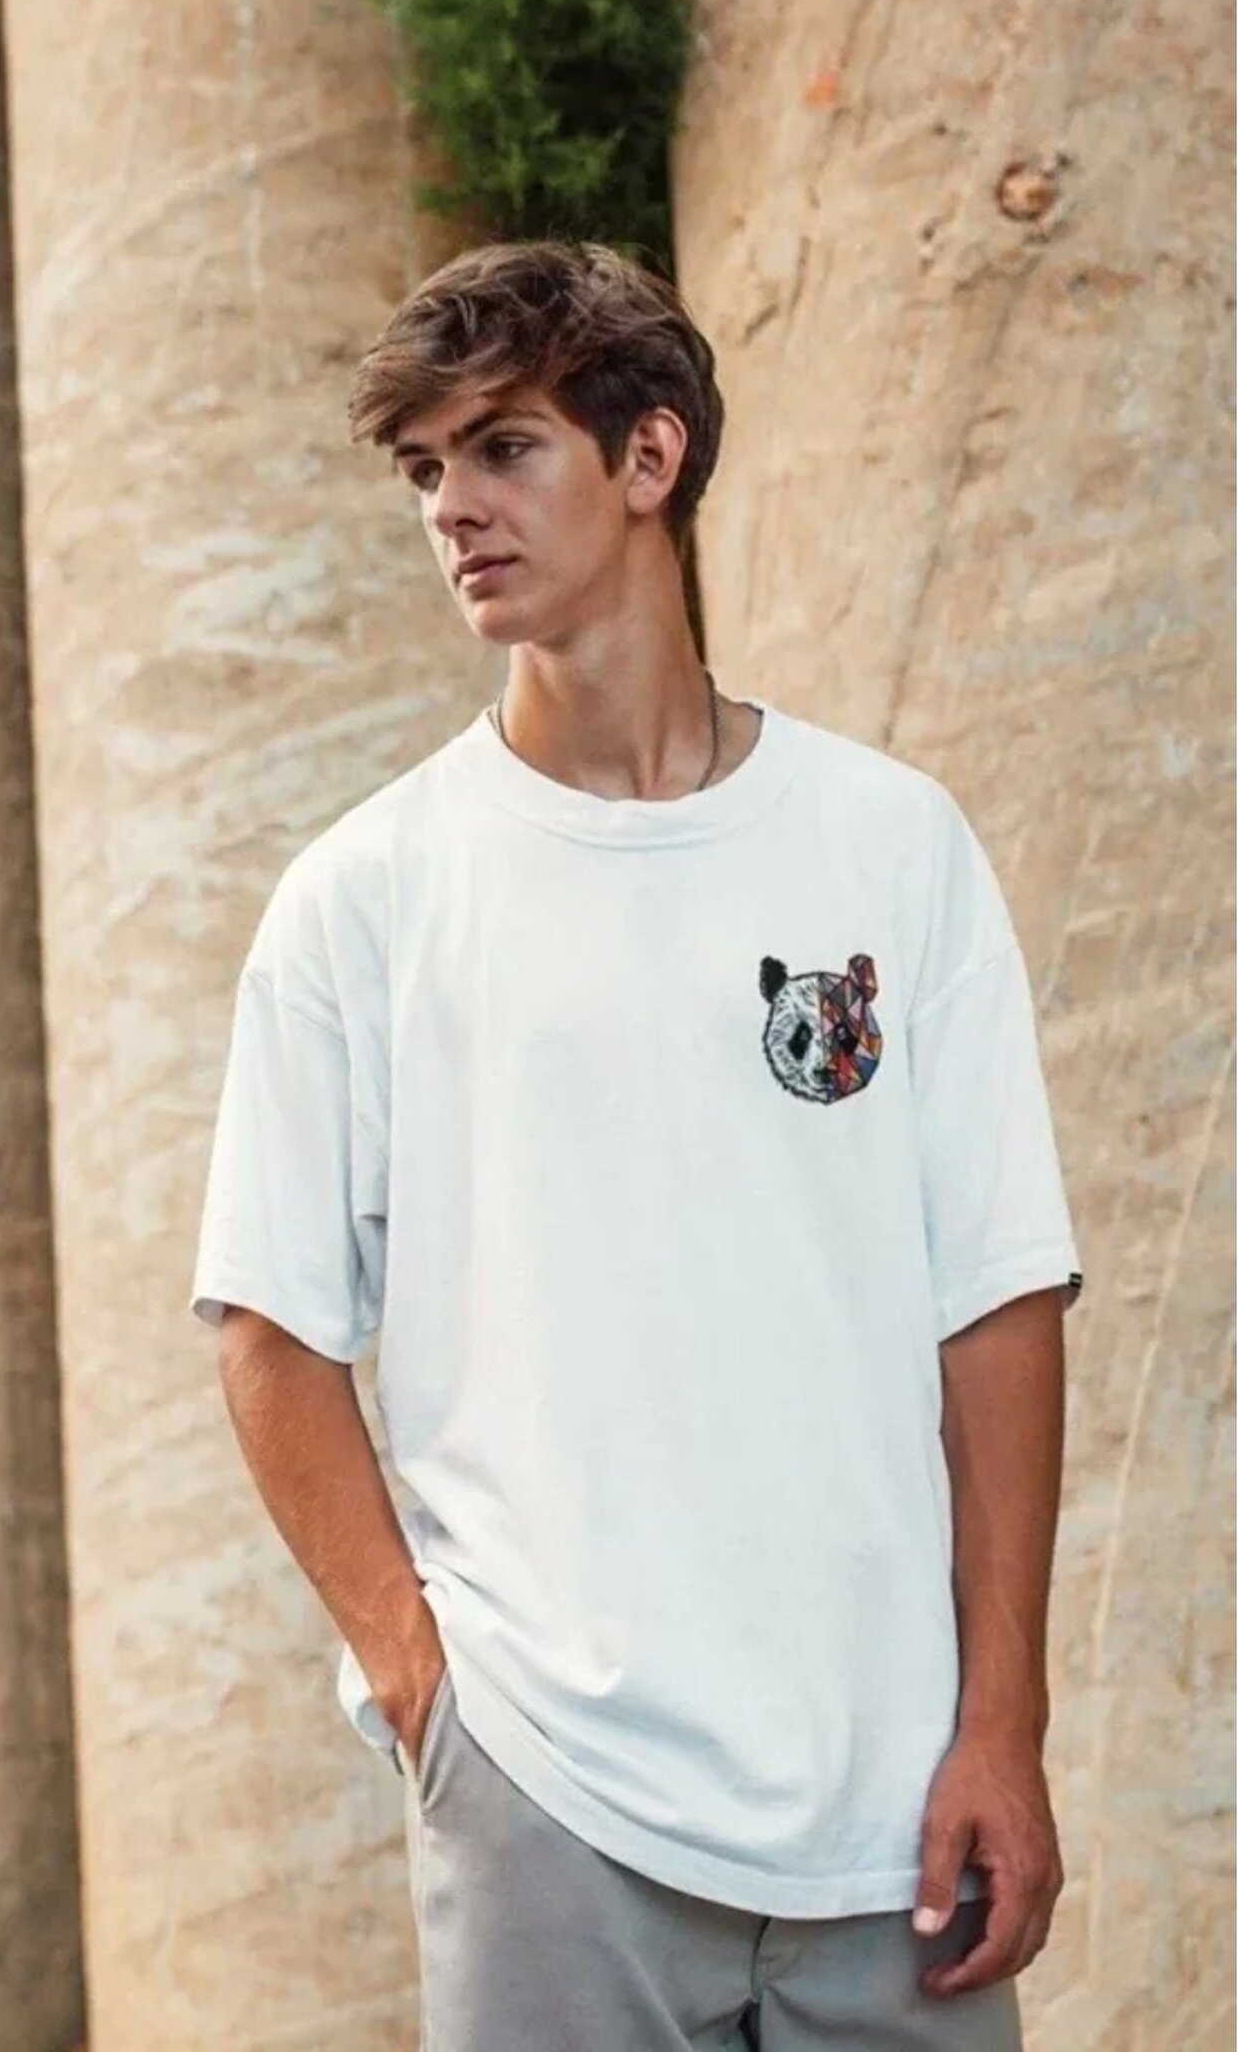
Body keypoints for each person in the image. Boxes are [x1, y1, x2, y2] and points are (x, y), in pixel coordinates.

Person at [190, 240, 1085, 2050]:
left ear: (650, 457)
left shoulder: (889, 844)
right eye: (426, 468)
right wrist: (425, 1686)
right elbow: (269, 1329)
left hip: (894, 1811)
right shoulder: (368, 897)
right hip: (550, 1794)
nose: (453, 508)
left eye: (504, 448)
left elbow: (996, 1303)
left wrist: (1005, 1723)